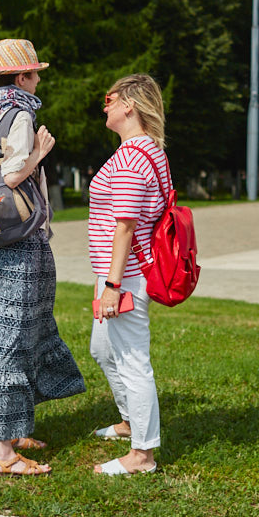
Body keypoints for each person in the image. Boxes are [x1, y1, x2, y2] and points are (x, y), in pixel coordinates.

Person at [0, 38, 85, 477]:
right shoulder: (19, 114)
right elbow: (12, 174)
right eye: (35, 74)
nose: (38, 81)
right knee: (12, 340)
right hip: (19, 243)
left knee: (22, 332)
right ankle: (2, 453)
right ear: (22, 78)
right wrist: (40, 153)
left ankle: (14, 432)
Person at [88, 73, 171, 476]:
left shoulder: (132, 158)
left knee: (133, 361)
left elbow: (125, 225)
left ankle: (142, 455)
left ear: (129, 105)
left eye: (110, 99)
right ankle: (129, 422)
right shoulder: (149, 151)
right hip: (120, 274)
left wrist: (111, 285)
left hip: (125, 278)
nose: (104, 106)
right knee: (103, 350)